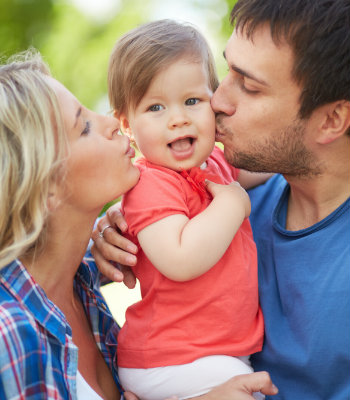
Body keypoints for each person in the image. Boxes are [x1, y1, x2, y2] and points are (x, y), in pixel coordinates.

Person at [92, 0, 350, 399]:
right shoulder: (237, 193)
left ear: (332, 120)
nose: (217, 100)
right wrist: (117, 220)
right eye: (227, 70)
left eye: (249, 85)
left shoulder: (232, 189)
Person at [104, 19, 273, 400]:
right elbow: (179, 259)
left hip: (207, 353)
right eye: (156, 107)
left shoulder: (214, 163)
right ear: (127, 125)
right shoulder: (148, 184)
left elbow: (267, 164)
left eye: (192, 101)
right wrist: (232, 204)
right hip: (171, 357)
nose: (178, 117)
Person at [0, 49, 140, 400]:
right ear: (44, 186)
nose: (110, 122)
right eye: (85, 127)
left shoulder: (82, 280)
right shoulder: (10, 334)